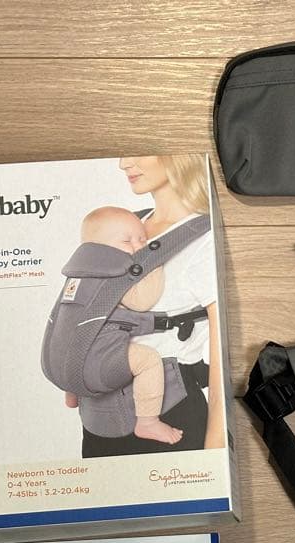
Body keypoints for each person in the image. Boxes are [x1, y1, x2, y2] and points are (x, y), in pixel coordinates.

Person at [81, 155, 225, 457]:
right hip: (100, 415)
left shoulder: (204, 239)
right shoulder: (123, 226)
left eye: (138, 152)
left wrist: (216, 452)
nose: (124, 163)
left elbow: (220, 361)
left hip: (169, 411)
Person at [63, 206, 184, 444]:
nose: (139, 247)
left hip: (73, 354)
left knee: (72, 350)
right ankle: (148, 422)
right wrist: (155, 265)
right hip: (99, 353)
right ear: (99, 249)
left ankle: (72, 395)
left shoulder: (78, 274)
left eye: (142, 239)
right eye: (127, 241)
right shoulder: (112, 275)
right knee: (148, 361)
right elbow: (142, 301)